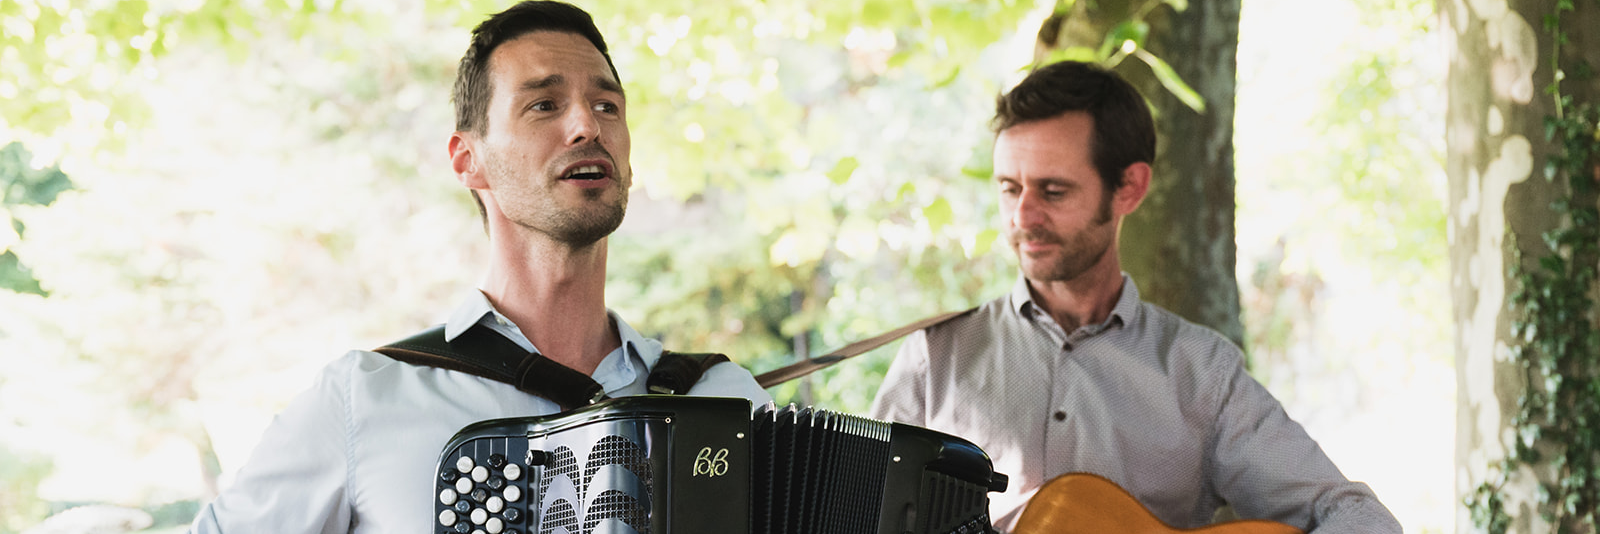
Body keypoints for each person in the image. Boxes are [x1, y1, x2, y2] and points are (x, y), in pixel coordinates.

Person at [188, 2, 771, 532]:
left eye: (606, 105)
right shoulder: (367, 400)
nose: (587, 126)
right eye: (544, 104)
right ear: (469, 160)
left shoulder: (725, 401)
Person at [868, 61, 1400, 533]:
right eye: (1010, 188)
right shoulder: (933, 357)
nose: (1023, 217)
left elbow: (1358, 516)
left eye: (1053, 191)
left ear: (1129, 188)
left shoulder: (1202, 372)